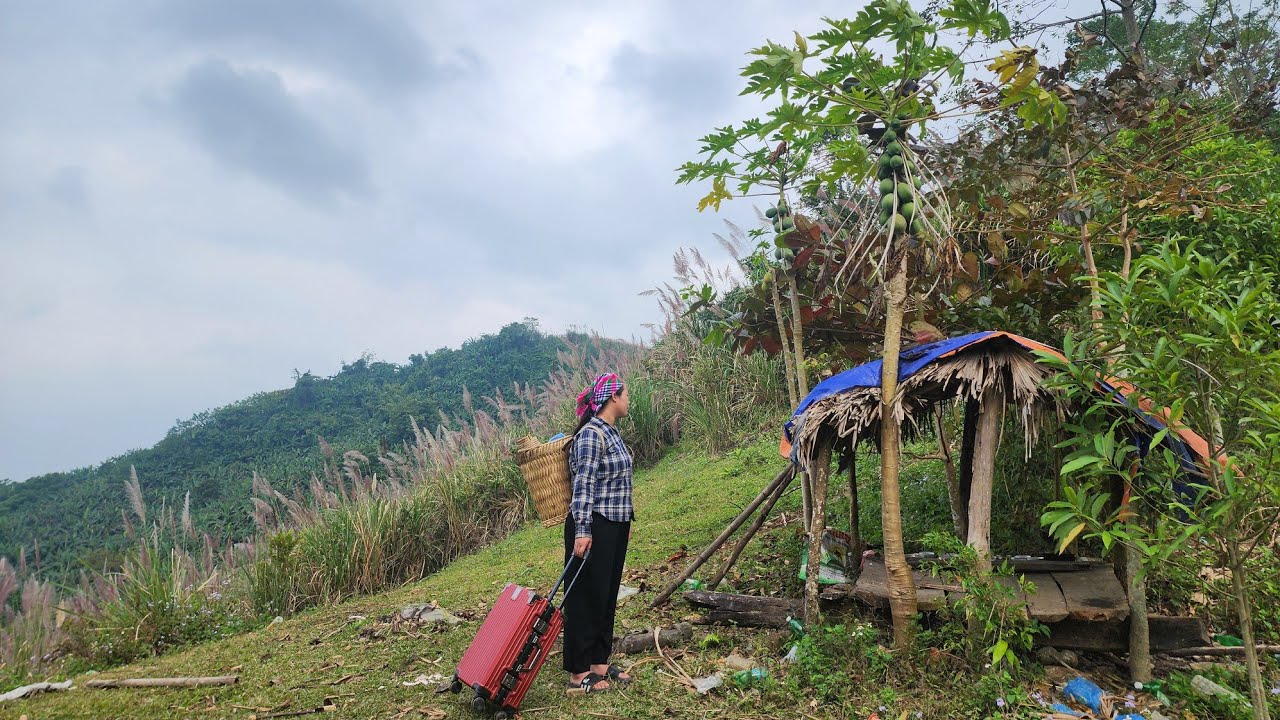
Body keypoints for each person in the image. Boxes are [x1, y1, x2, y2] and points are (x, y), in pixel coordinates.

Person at [563, 372, 635, 694]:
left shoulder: (611, 432)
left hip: (614, 524)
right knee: (584, 598)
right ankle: (579, 673)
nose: (628, 399)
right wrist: (582, 530)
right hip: (593, 524)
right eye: (625, 394)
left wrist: (624, 523)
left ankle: (599, 662)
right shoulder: (592, 434)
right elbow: (584, 485)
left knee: (606, 595)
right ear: (613, 398)